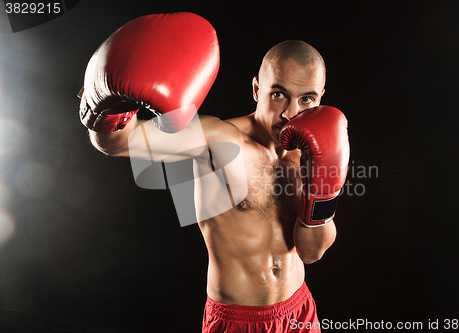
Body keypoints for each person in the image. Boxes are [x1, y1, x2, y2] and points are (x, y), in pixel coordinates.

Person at [78, 13, 349, 333]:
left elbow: (311, 252)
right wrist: (106, 107)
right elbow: (119, 142)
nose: (290, 112)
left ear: (320, 97)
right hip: (237, 321)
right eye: (278, 94)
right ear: (256, 89)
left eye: (307, 99)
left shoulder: (313, 147)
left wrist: (322, 200)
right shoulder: (219, 141)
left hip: (298, 312)